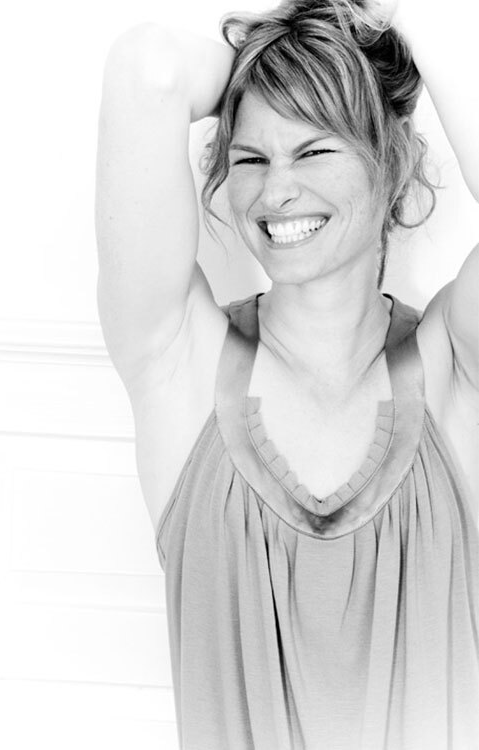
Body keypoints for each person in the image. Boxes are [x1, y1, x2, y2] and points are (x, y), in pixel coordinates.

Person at [95, 0, 479, 747]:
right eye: (249, 159)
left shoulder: (452, 373)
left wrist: (393, 29)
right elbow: (150, 68)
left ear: (393, 160)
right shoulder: (179, 363)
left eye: (313, 150)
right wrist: (276, 57)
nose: (275, 193)